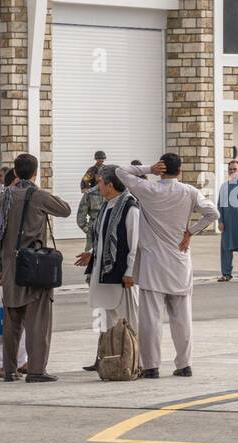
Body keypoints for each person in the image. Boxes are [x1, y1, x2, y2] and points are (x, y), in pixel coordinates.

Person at [117, 153, 218, 378]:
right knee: (182, 318)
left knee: (150, 319)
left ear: (160, 169)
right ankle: (184, 364)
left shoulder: (148, 190)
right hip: (179, 261)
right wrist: (190, 232)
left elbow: (120, 171)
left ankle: (151, 366)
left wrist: (148, 168)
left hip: (153, 264)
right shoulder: (189, 192)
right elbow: (213, 213)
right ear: (179, 171)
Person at [0, 153, 71, 382]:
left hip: (9, 266)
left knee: (11, 321)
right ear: (36, 173)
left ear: (15, 173)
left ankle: (9, 370)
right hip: (34, 266)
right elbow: (64, 209)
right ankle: (36, 370)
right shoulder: (37, 195)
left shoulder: (3, 198)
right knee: (38, 322)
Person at [74, 166, 140, 372]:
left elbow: (134, 243)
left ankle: (135, 359)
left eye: (100, 182)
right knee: (104, 316)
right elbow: (104, 237)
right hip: (103, 270)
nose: (97, 186)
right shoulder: (107, 206)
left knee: (129, 319)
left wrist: (130, 271)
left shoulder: (130, 208)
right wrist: (93, 252)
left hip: (121, 274)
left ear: (111, 185)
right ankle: (105, 355)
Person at [0, 168, 26, 377]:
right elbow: (4, 236)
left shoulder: (14, 202)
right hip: (0, 271)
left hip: (18, 268)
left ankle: (21, 360)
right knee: (0, 319)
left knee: (20, 317)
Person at [76, 170, 104, 252]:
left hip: (110, 231)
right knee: (90, 258)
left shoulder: (114, 193)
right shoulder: (89, 194)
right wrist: (88, 230)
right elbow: (80, 216)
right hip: (93, 229)